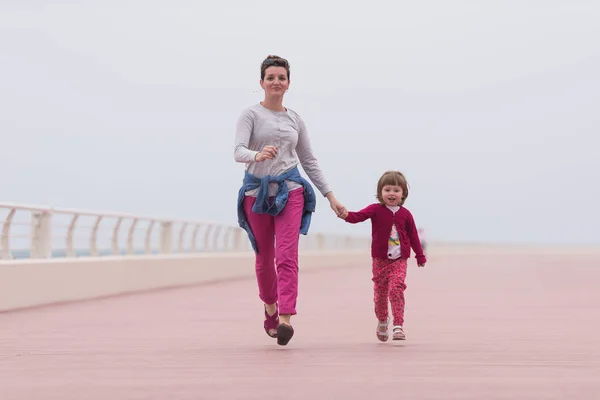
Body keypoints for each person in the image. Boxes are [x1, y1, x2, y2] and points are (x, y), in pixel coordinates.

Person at [234, 55, 346, 346]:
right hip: (255, 193)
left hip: (290, 190)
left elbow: (309, 160)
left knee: (286, 255)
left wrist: (330, 196)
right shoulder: (250, 115)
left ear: (288, 83)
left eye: (281, 78)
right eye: (270, 77)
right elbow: (237, 151)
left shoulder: (295, 119)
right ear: (261, 82)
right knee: (263, 259)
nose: (276, 82)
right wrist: (255, 155)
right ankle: (270, 308)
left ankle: (285, 319)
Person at [338, 170, 426, 341]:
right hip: (379, 260)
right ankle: (382, 321)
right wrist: (345, 214)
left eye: (396, 190)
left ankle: (398, 326)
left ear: (403, 194)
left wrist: (420, 256)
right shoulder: (376, 209)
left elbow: (413, 236)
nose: (391, 193)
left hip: (399, 260)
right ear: (380, 193)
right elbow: (358, 217)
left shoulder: (406, 214)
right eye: (387, 190)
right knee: (380, 294)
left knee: (396, 288)